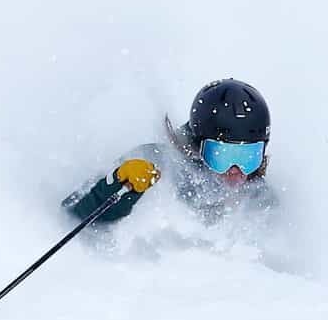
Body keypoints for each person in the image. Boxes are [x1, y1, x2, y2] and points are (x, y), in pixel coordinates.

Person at [63, 78, 274, 227]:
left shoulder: (257, 196)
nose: (235, 171)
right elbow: (72, 213)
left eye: (249, 157)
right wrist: (117, 185)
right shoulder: (156, 164)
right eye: (224, 156)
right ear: (198, 147)